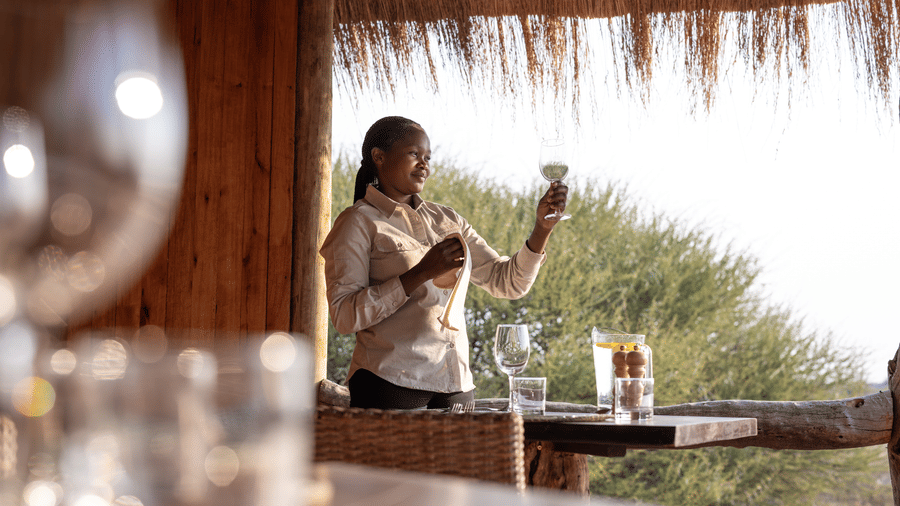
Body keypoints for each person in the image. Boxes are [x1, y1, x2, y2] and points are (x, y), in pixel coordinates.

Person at [320, 116, 568, 410]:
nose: (424, 165)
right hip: (389, 384)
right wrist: (420, 273)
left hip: (456, 386)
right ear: (379, 157)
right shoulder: (357, 222)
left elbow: (508, 283)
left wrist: (542, 228)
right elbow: (344, 315)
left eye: (428, 157)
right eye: (414, 154)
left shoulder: (448, 220)